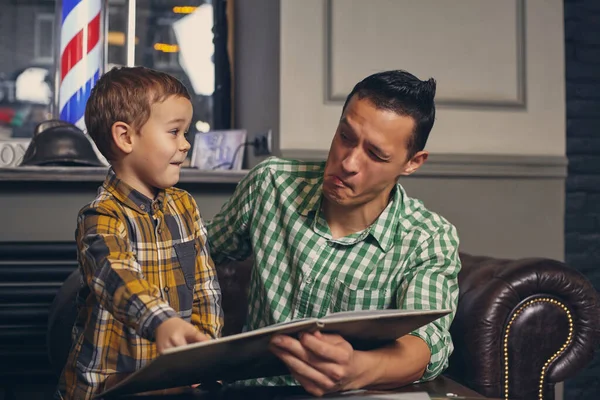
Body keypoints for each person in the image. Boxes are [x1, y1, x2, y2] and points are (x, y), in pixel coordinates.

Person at [206, 70, 460, 396]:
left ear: (412, 163)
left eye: (375, 154)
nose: (349, 162)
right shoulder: (271, 185)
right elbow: (196, 254)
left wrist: (358, 370)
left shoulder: (428, 238)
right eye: (345, 136)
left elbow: (428, 342)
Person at [55, 66, 223, 400]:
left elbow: (206, 290)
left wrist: (204, 354)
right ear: (126, 137)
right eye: (174, 132)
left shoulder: (185, 207)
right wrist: (162, 323)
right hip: (105, 389)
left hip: (172, 384)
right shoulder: (100, 216)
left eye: (185, 132)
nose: (186, 144)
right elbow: (117, 277)